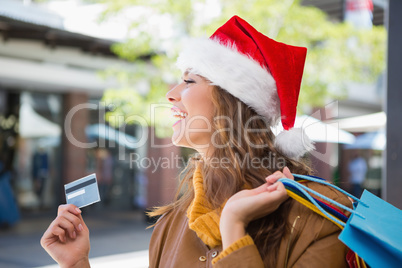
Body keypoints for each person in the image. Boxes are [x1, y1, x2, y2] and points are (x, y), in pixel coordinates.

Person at [41, 16, 353, 267]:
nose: (170, 93)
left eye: (190, 80)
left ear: (233, 101)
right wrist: (77, 263)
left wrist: (233, 227)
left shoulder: (319, 214)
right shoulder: (171, 222)